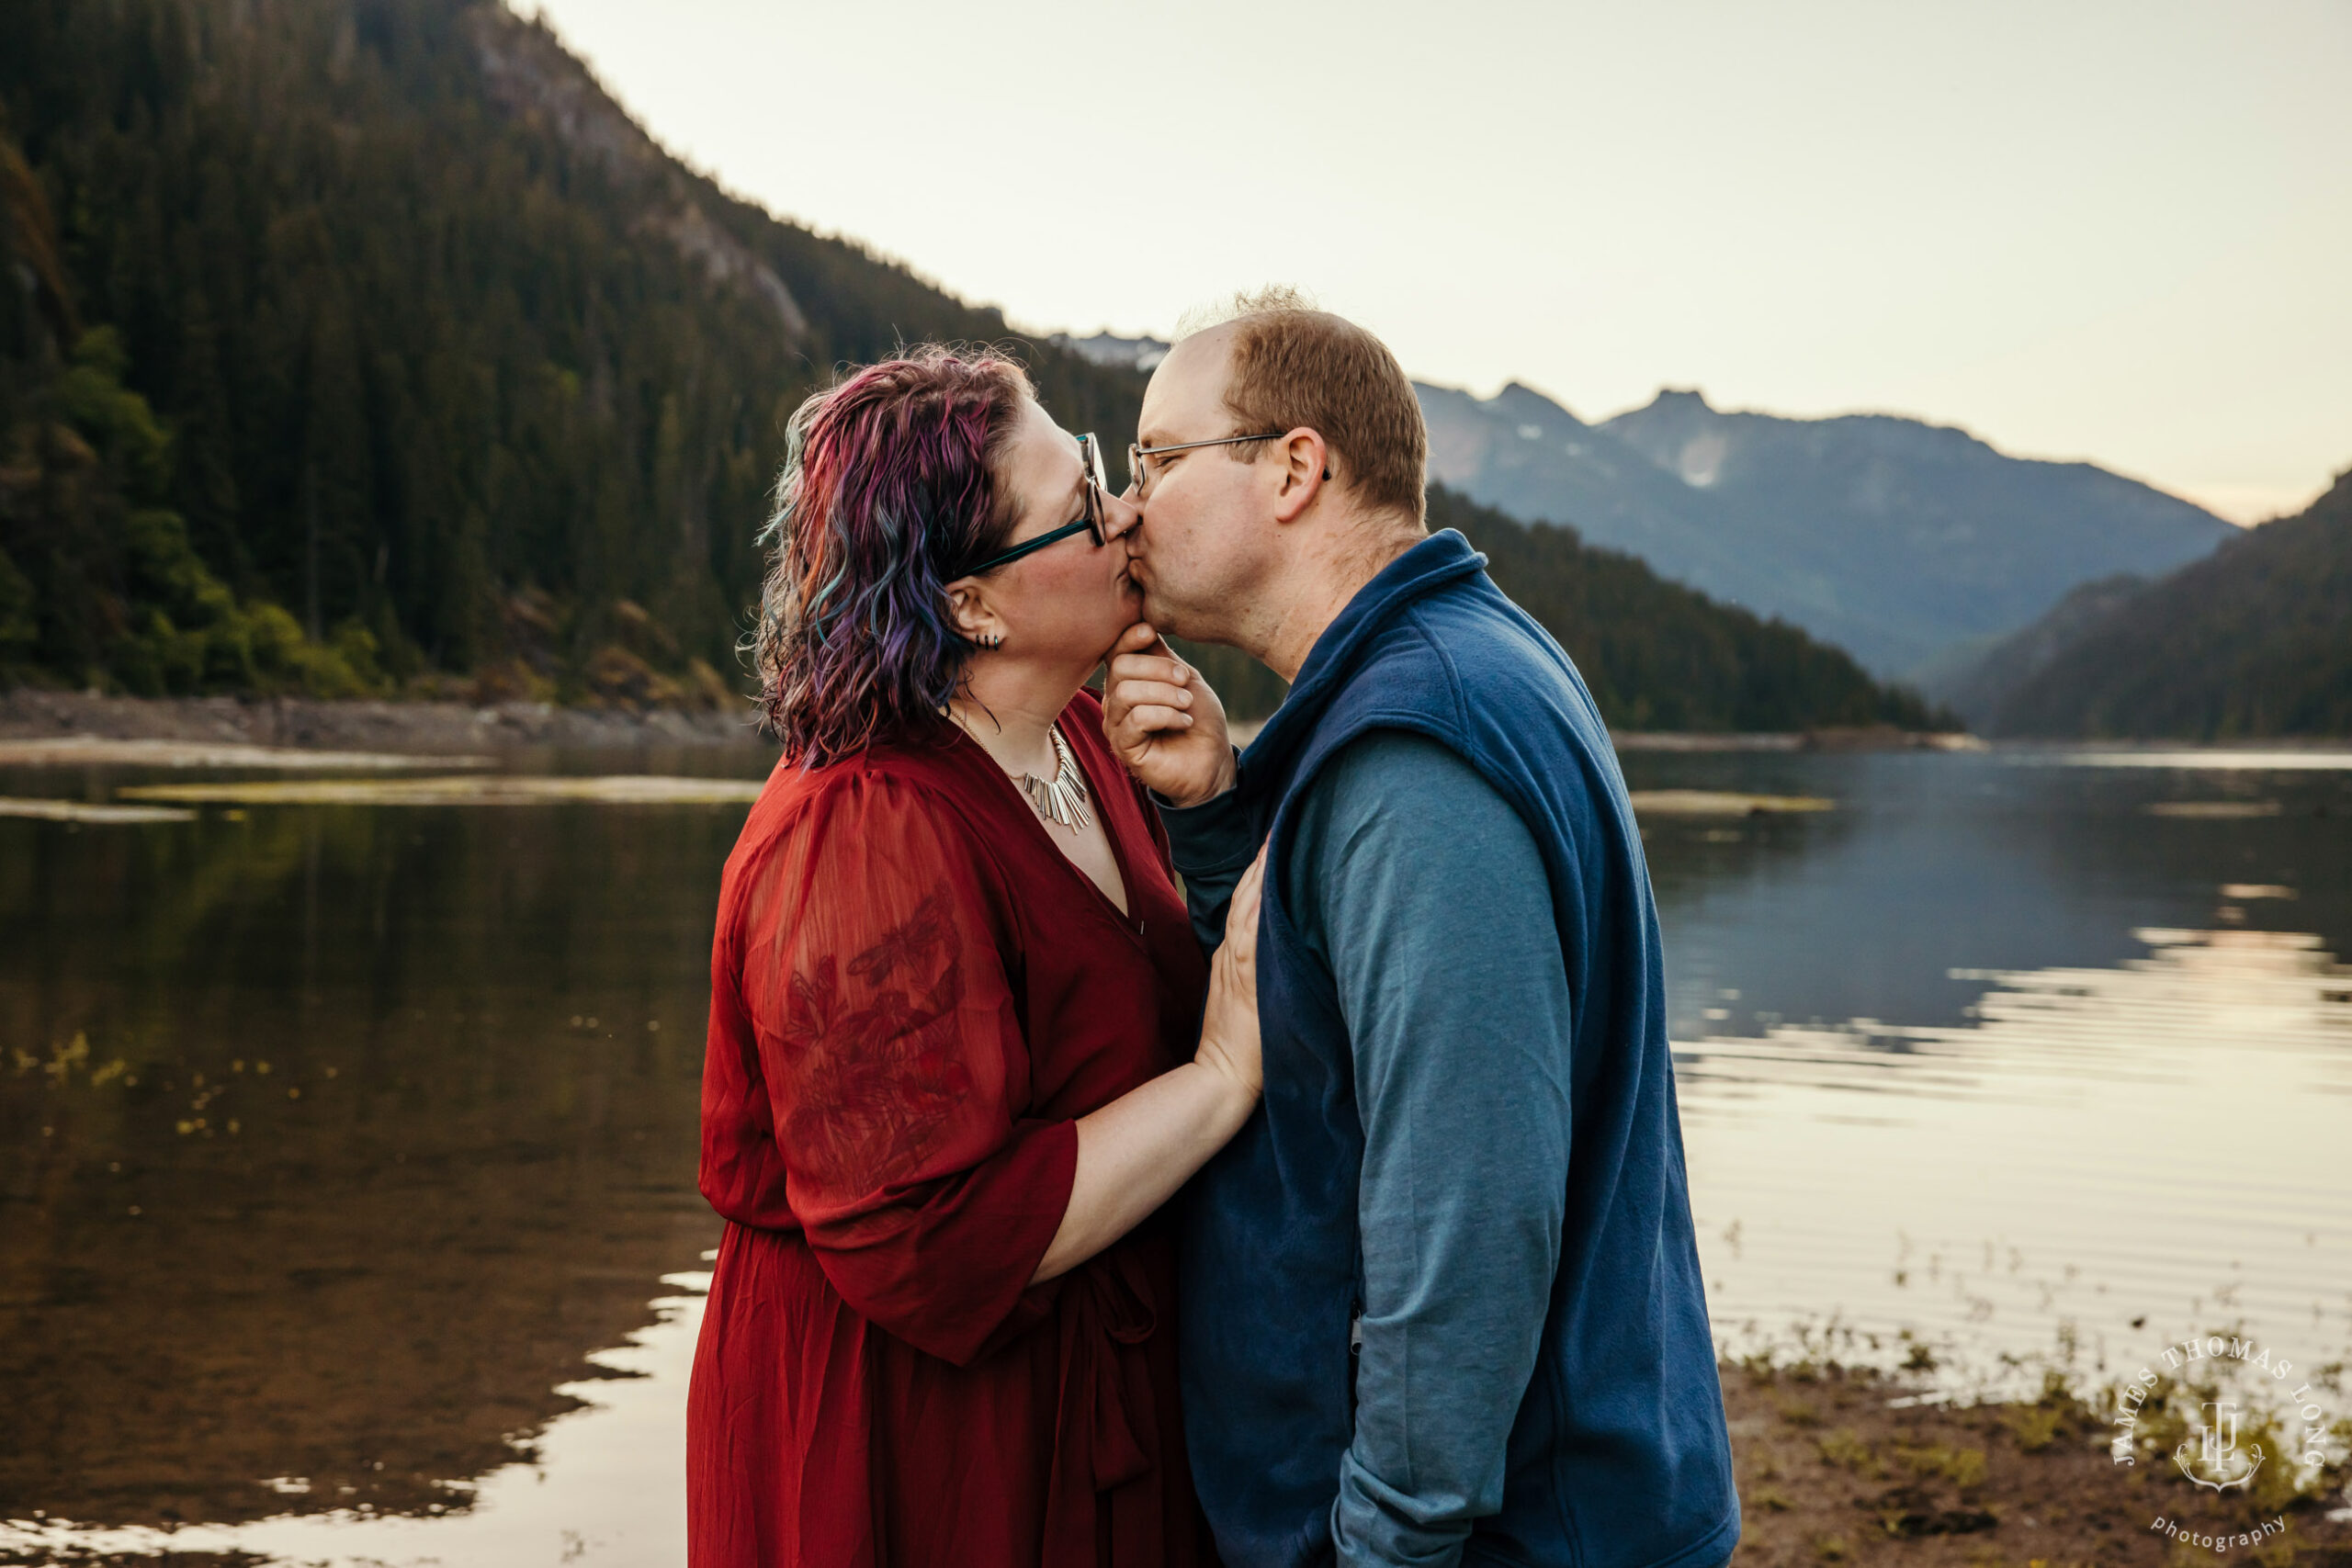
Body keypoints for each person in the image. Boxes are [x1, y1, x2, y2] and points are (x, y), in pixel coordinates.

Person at [1101, 291, 1739, 1568]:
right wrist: (1226, 824)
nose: (1123, 511)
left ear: (1293, 469)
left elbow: (1469, 1218)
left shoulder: (1417, 753)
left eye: (1157, 462)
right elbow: (1331, 1040)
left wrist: (1382, 1547)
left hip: (1506, 1541)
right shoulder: (1442, 672)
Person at [689, 346, 1262, 1568]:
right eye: (1078, 509)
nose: (1127, 517)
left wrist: (1210, 805)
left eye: (1102, 476)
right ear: (970, 604)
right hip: (916, 1441)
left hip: (1079, 1385)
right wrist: (1218, 1080)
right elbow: (929, 1239)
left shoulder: (1087, 742)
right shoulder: (865, 828)